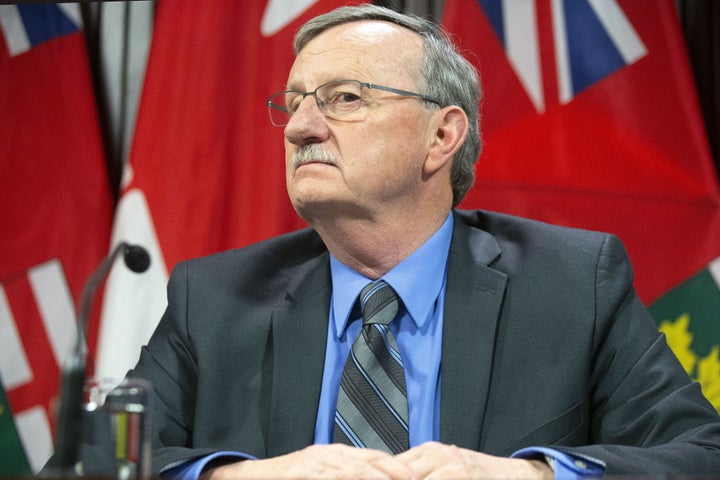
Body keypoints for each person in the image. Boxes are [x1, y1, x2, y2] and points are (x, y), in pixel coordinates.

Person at [128, 4, 720, 479]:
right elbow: (94, 465)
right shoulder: (212, 298)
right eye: (294, 104)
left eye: (345, 98)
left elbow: (701, 455)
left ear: (442, 135)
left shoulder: (572, 283)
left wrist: (534, 477)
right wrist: (232, 478)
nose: (303, 128)